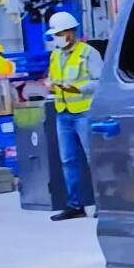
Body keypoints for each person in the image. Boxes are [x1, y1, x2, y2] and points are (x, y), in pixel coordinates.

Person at [45, 11, 103, 220]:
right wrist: (50, 85)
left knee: (92, 158)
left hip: (84, 112)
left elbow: (99, 81)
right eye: (55, 35)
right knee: (68, 160)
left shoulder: (88, 53)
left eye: (59, 34)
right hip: (63, 113)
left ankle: (102, 203)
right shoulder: (55, 55)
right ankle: (75, 205)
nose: (57, 38)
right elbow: (53, 77)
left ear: (70, 32)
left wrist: (77, 89)